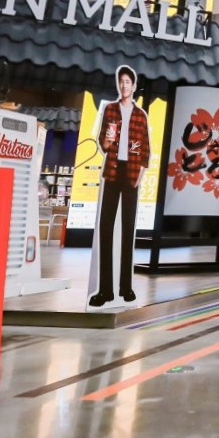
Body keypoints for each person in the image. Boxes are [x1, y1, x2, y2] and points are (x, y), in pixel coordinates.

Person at [92, 65, 150, 307]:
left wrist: (139, 177)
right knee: (106, 228)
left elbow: (145, 151)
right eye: (121, 81)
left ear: (134, 86)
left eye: (128, 82)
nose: (124, 85)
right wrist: (107, 140)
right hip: (113, 171)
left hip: (131, 173)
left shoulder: (140, 115)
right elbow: (103, 143)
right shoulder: (110, 109)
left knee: (128, 229)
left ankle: (126, 287)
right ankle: (105, 290)